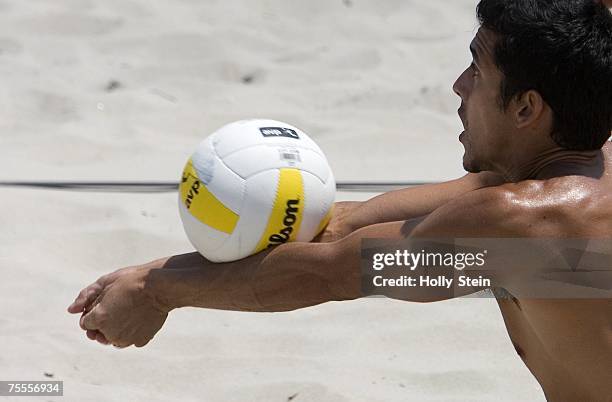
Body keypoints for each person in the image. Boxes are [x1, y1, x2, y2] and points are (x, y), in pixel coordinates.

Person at [68, 0, 612, 400]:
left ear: (526, 109)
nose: (457, 85)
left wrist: (156, 289)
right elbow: (340, 228)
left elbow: (328, 274)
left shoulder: (522, 227)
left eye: (477, 68)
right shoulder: (561, 184)